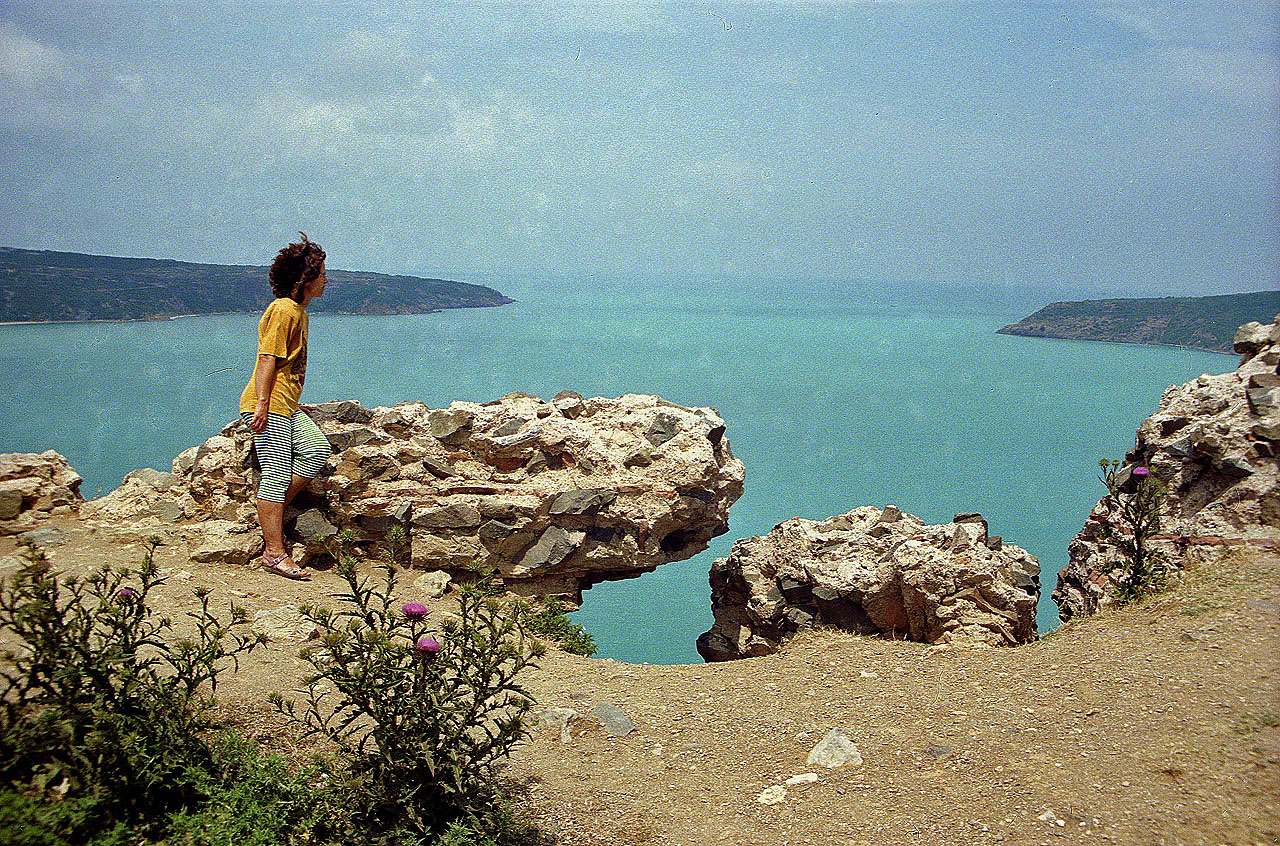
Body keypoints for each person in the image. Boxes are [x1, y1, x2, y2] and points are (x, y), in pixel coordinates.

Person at [239, 233, 332, 579]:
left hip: (286, 405)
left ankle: (272, 515)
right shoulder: (282, 310)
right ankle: (274, 552)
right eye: (322, 274)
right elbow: (267, 358)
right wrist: (262, 404)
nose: (326, 280)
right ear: (305, 278)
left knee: (317, 450)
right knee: (275, 475)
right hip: (269, 405)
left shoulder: (299, 312)